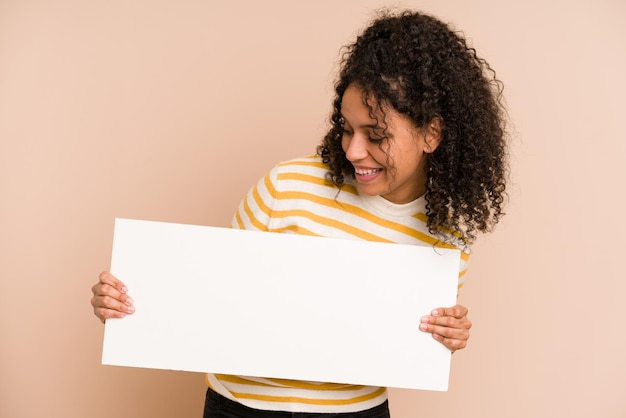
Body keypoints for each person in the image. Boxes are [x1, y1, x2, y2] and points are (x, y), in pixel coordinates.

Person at [91, 8, 507, 418]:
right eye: (346, 128)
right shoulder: (286, 186)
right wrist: (128, 306)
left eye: (376, 135)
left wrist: (442, 335)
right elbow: (210, 297)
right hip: (239, 408)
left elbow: (396, 342)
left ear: (431, 134)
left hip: (354, 413)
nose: (353, 150)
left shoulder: (447, 236)